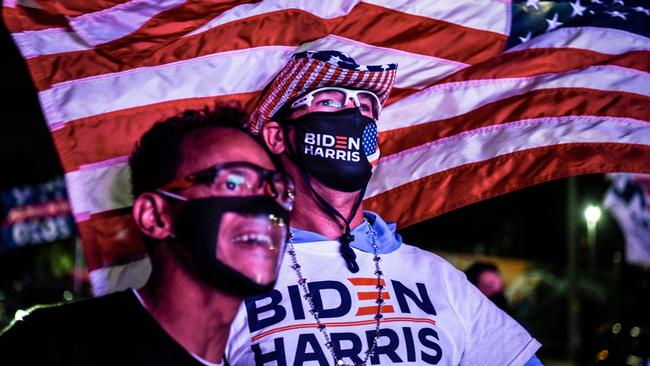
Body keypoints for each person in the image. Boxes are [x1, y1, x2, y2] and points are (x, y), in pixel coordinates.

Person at [226, 51, 543, 365]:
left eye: (364, 106)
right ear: (277, 137)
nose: (351, 115)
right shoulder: (229, 275)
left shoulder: (440, 278)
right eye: (327, 101)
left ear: (372, 147)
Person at [0, 105, 295, 365]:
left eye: (278, 191)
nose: (267, 206)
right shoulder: (52, 346)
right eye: (233, 183)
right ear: (155, 216)